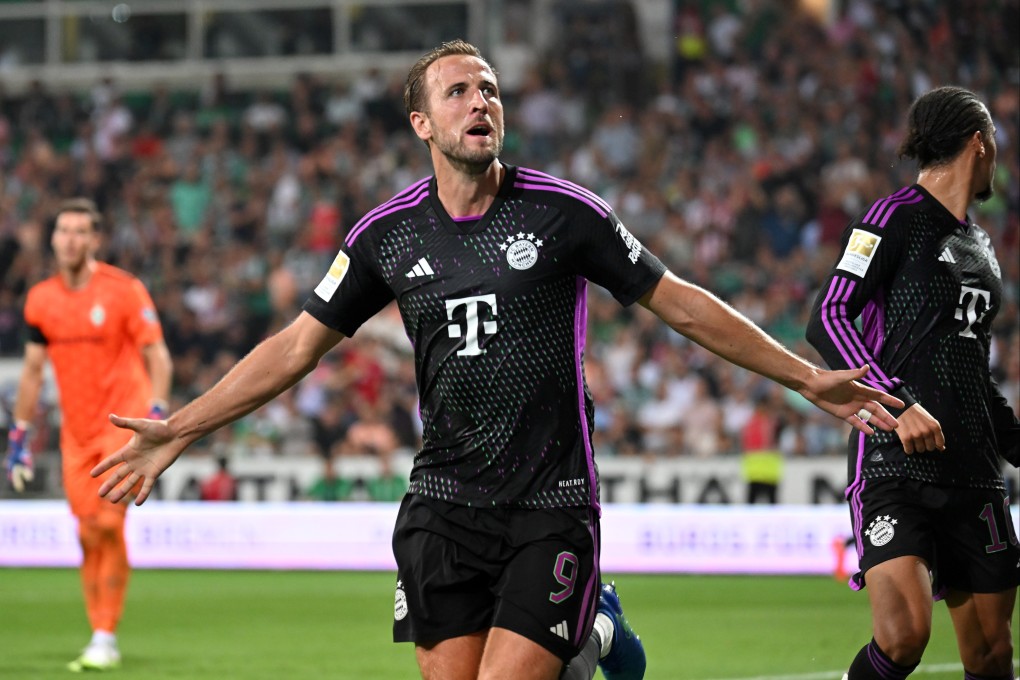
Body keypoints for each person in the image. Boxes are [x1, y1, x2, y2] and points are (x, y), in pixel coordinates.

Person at [91, 40, 901, 680]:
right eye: (459, 91)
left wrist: (804, 377)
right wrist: (181, 429)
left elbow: (678, 299)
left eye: (491, 90)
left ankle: (586, 622)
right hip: (442, 505)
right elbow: (295, 347)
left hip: (550, 501)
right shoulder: (386, 235)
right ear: (422, 123)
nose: (481, 102)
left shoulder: (563, 213)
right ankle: (599, 628)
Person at [806, 86, 1020, 680]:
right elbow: (828, 316)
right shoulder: (891, 219)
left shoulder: (982, 249)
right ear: (980, 143)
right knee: (903, 639)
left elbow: (973, 371)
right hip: (893, 463)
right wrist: (899, 407)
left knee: (992, 655)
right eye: (996, 144)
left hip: (975, 473)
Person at [3, 197, 173, 672]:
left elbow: (158, 356)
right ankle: (100, 631)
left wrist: (156, 416)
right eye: (63, 231)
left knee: (106, 523)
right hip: (75, 432)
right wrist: (19, 435)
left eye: (81, 231)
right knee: (85, 531)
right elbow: (34, 372)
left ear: (95, 240)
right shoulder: (40, 299)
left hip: (123, 425)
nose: (71, 239)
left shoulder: (124, 290)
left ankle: (104, 634)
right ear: (52, 239)